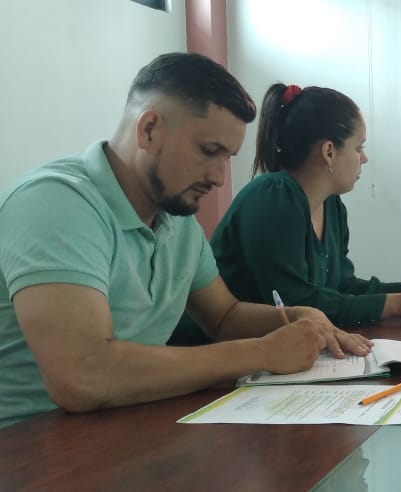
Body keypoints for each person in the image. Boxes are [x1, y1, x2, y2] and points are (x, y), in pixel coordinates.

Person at [0, 53, 372, 428]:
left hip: (126, 426)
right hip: (30, 444)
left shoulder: (176, 220)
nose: (219, 178)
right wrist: (262, 352)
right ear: (149, 130)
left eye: (227, 158)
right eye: (209, 152)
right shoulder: (56, 202)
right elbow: (83, 376)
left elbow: (224, 317)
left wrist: (300, 317)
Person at [167, 83, 401, 346]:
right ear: (329, 151)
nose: (364, 158)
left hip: (270, 352)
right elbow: (299, 302)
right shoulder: (273, 198)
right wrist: (396, 304)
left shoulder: (332, 205)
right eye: (358, 147)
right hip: (209, 351)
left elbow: (341, 287)